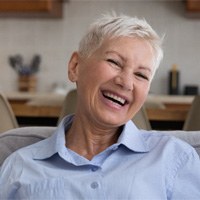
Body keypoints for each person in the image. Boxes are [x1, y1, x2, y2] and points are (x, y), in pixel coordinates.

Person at [1, 13, 200, 200]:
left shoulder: (175, 158)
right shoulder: (19, 166)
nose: (126, 82)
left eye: (141, 75)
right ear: (75, 67)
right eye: (114, 62)